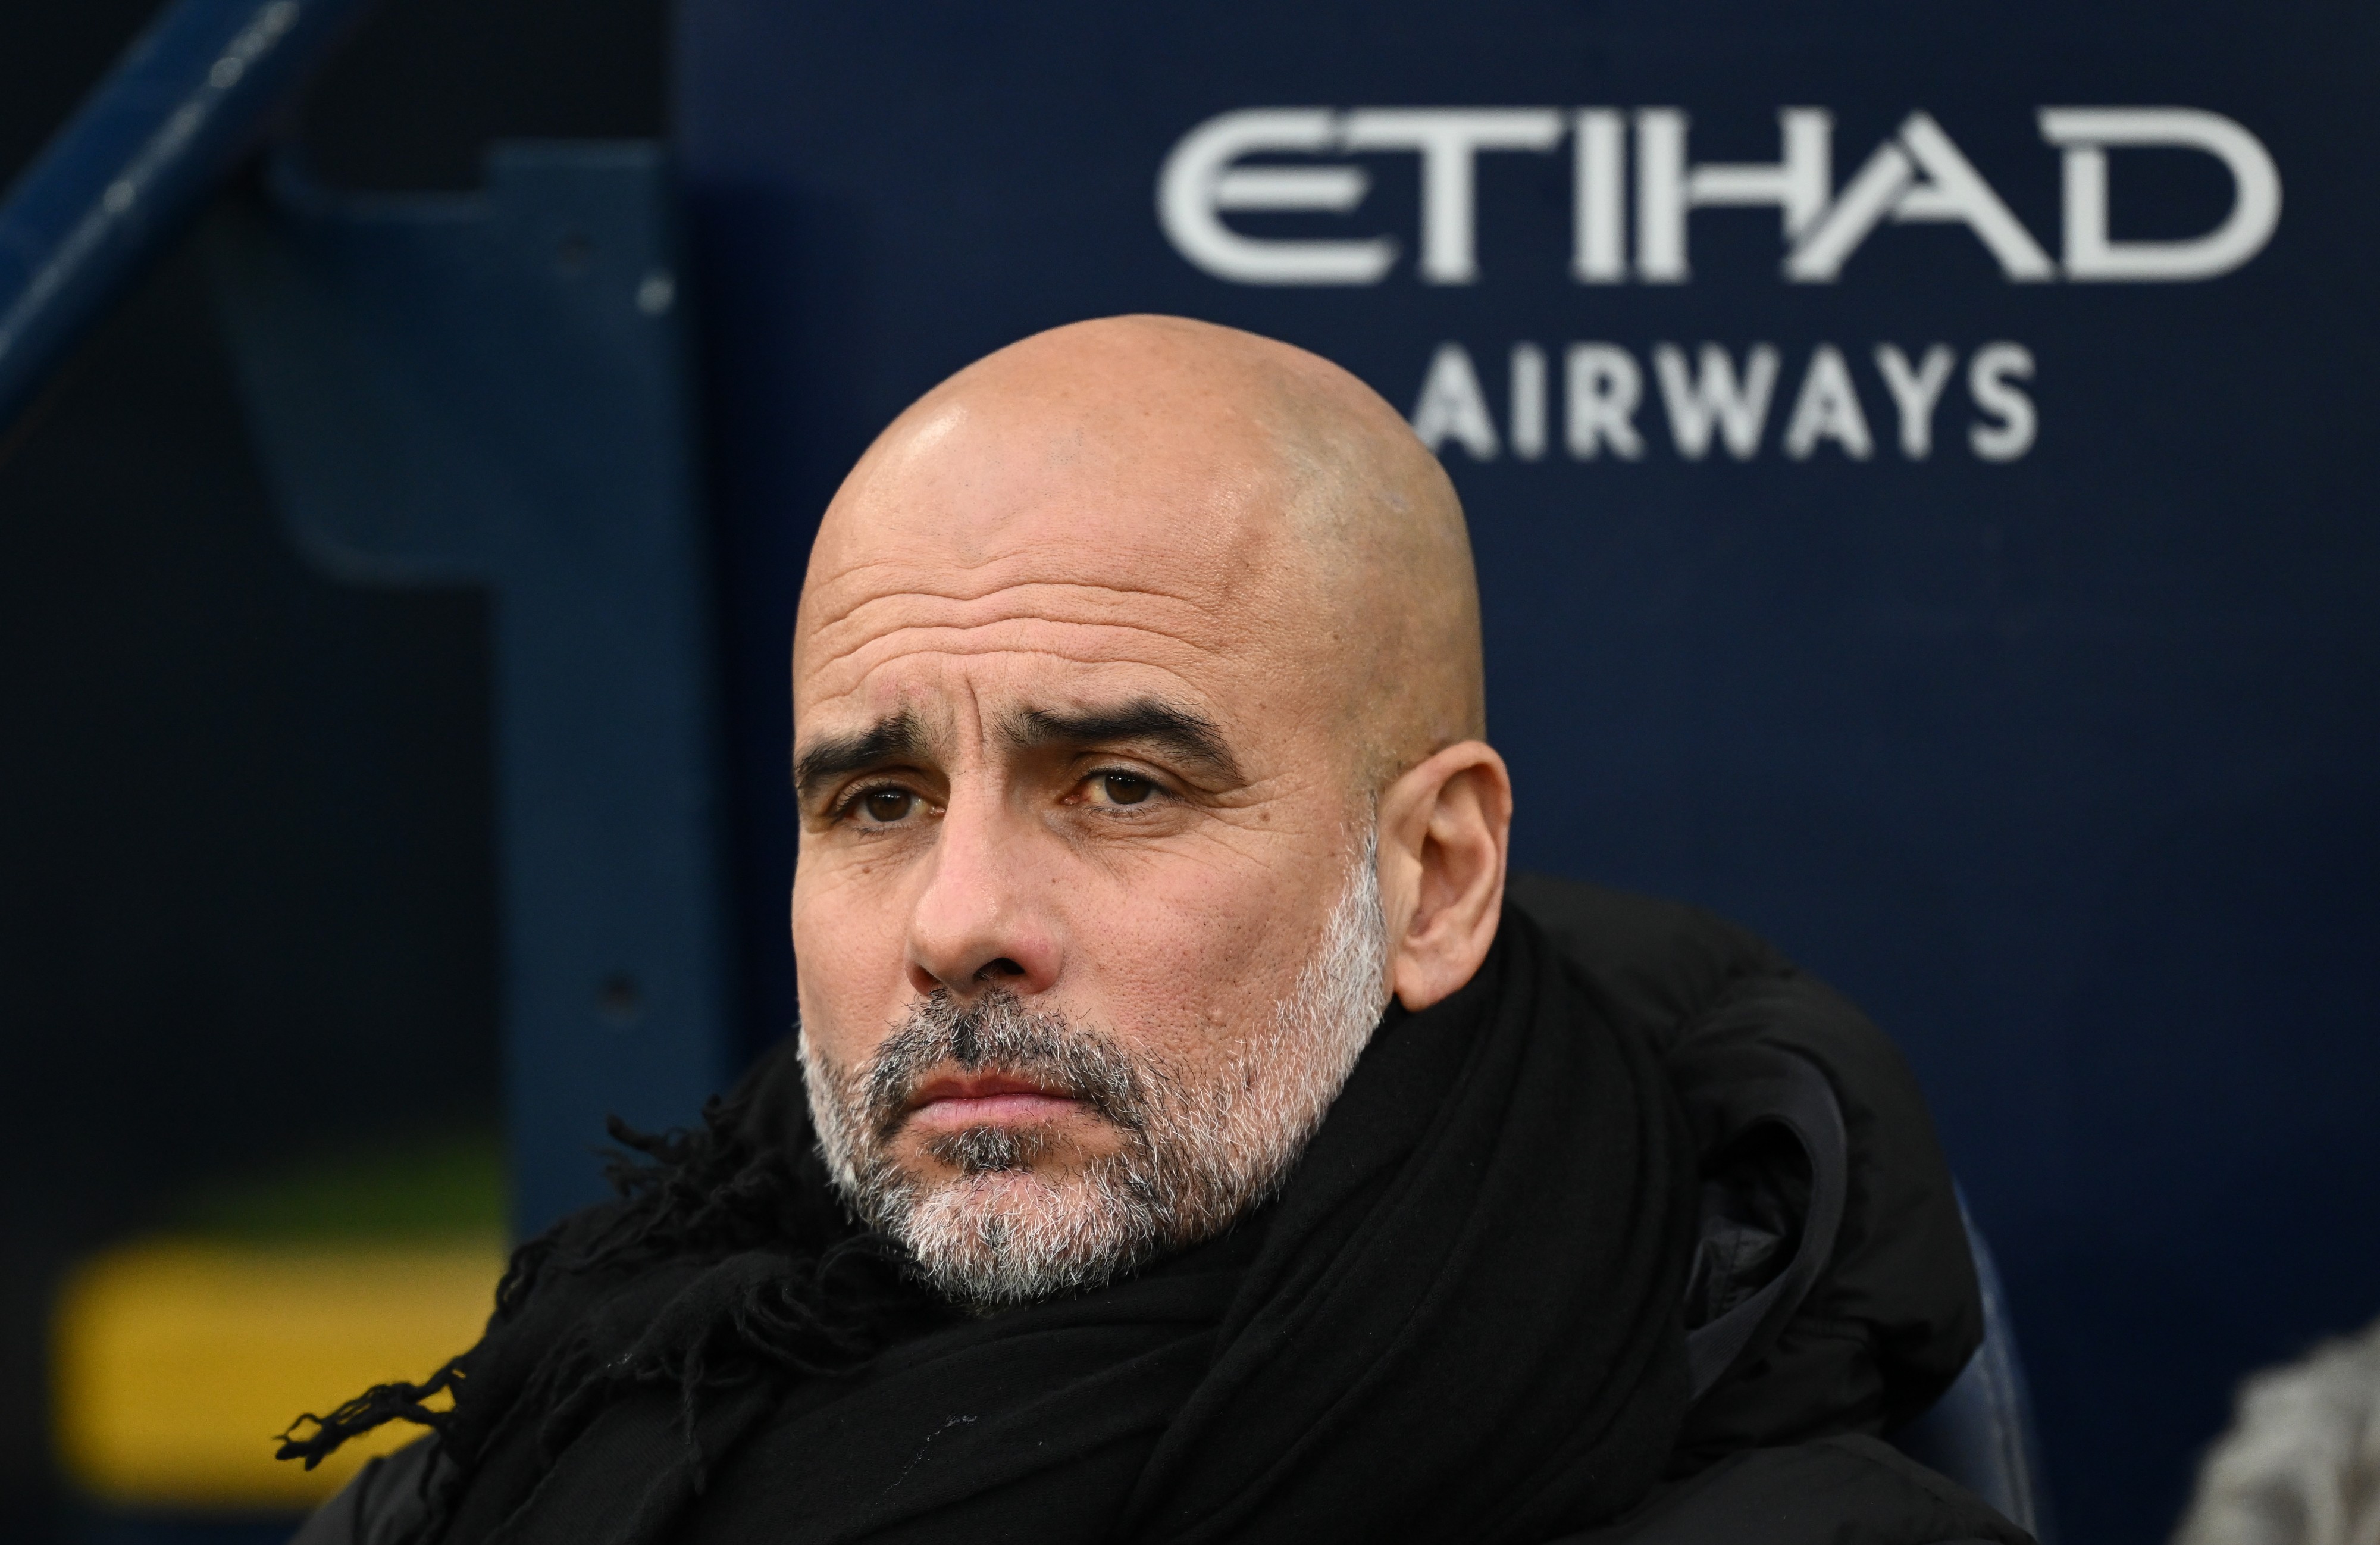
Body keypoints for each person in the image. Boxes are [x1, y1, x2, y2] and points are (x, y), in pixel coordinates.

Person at [285, 316, 2027, 1545]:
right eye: (876, 801)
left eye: (1119, 785)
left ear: (1435, 877)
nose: (960, 921)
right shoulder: (554, 1451)